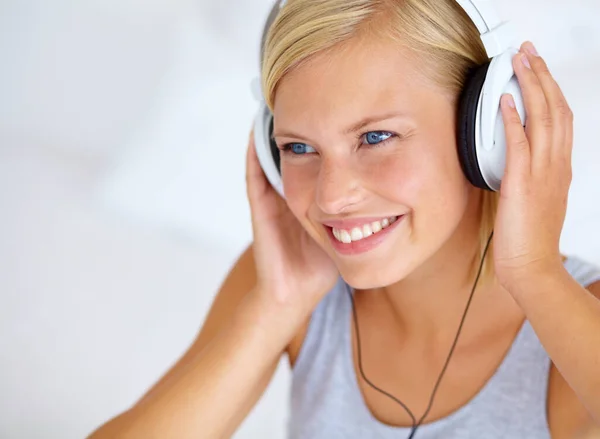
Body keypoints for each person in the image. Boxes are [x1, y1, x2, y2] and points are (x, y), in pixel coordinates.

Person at [88, 0, 600, 438]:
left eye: (375, 138)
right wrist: (274, 308)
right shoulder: (291, 284)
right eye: (299, 147)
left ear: (484, 135)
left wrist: (534, 272)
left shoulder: (574, 318)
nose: (331, 199)